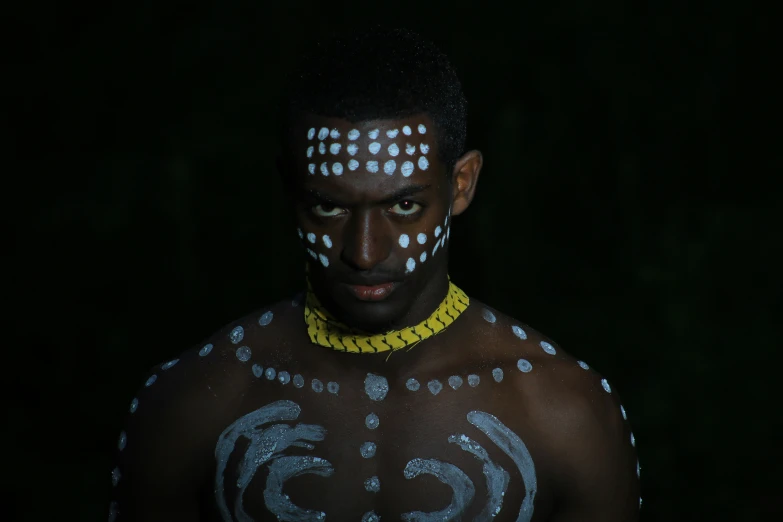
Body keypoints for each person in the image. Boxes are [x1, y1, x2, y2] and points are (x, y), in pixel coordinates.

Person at [110, 27, 640, 522]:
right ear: (289, 190)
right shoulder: (192, 404)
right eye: (329, 208)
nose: (364, 253)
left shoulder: (565, 412)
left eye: (404, 206)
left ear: (461, 185)